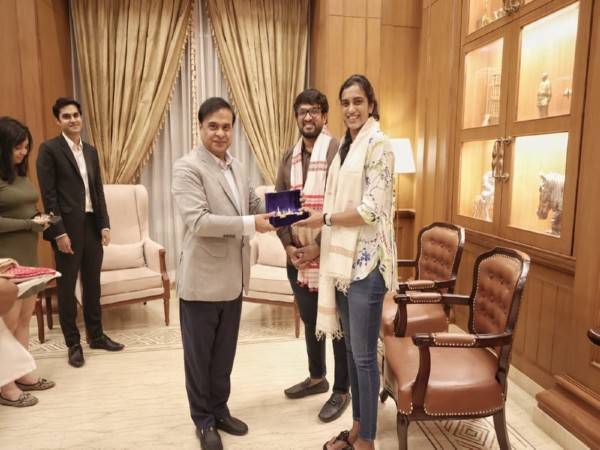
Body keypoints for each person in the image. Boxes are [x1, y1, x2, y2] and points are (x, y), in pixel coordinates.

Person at [297, 74, 397, 450]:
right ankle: (357, 427)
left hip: (367, 266)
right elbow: (339, 202)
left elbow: (371, 210)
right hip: (343, 266)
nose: (351, 109)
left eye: (358, 101)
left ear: (371, 104)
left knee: (366, 357)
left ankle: (367, 440)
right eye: (346, 103)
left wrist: (321, 219)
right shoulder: (347, 148)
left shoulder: (379, 145)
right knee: (354, 353)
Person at [172, 97, 275, 450]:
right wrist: (252, 224)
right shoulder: (187, 168)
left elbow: (253, 204)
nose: (220, 132)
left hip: (233, 279)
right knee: (199, 359)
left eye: (226, 126)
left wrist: (286, 208)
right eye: (213, 126)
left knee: (223, 355)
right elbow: (199, 221)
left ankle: (220, 409)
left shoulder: (238, 165)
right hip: (201, 282)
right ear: (200, 127)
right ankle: (202, 421)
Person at [274, 89, 350, 422]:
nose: (309, 117)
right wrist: (291, 247)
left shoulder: (337, 151)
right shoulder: (288, 156)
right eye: (303, 111)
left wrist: (317, 247)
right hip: (298, 258)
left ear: (325, 117)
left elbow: (343, 206)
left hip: (331, 254)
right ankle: (317, 378)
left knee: (335, 324)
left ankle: (341, 390)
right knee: (310, 321)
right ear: (296, 117)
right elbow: (280, 207)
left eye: (315, 111)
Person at [37, 98, 124, 369]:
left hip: (91, 225)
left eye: (76, 115)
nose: (73, 120)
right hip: (67, 230)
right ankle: (73, 343)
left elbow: (97, 191)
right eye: (66, 116)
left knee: (92, 283)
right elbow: (49, 196)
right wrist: (58, 232)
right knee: (66, 287)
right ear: (57, 120)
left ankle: (96, 336)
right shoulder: (49, 150)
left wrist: (105, 224)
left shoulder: (90, 151)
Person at [0, 117, 54, 407]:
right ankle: (4, 385)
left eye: (26, 147)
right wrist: (26, 224)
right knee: (5, 326)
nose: (23, 152)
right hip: (5, 260)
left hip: (29, 255)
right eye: (18, 147)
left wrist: (37, 219)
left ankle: (22, 373)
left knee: (23, 319)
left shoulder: (19, 175)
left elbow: (26, 209)